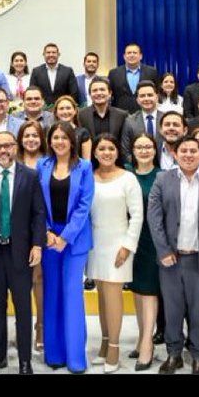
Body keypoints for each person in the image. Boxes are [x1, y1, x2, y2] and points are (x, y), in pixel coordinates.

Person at [147, 136, 199, 375]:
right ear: (175, 154)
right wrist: (163, 250)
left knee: (198, 310)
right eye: (183, 150)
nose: (188, 155)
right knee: (172, 310)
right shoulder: (162, 180)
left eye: (193, 151)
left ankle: (198, 356)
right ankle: (174, 354)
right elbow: (154, 219)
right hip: (170, 259)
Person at [0, 130, 47, 375]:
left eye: (8, 146)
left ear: (16, 147)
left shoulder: (31, 176)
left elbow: (38, 213)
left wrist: (37, 245)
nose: (3, 151)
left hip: (20, 254)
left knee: (23, 309)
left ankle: (25, 360)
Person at [39, 122, 94, 373]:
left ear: (72, 141)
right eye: (55, 137)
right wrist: (48, 233)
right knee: (52, 294)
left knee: (72, 295)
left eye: (64, 137)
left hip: (75, 240)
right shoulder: (42, 165)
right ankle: (54, 354)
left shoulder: (84, 167)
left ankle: (75, 357)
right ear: (49, 141)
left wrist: (65, 237)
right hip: (49, 239)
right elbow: (37, 203)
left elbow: (84, 205)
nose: (59, 141)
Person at [87, 133, 143, 372]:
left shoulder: (128, 178)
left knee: (113, 296)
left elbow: (137, 214)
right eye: (102, 149)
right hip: (95, 244)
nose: (106, 153)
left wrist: (128, 246)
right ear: (95, 152)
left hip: (118, 244)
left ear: (117, 152)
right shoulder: (89, 177)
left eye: (111, 148)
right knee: (101, 296)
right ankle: (105, 341)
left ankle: (115, 348)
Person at [127, 133, 161, 370]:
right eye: (139, 147)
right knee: (137, 291)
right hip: (130, 239)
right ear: (132, 150)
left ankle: (148, 344)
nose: (144, 150)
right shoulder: (126, 174)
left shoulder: (162, 176)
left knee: (149, 291)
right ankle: (141, 338)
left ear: (155, 150)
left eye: (148, 146)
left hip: (152, 239)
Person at [16, 119, 48, 348]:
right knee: (20, 282)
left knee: (39, 279)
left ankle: (41, 327)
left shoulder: (48, 163)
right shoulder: (13, 162)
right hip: (17, 230)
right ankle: (22, 327)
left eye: (35, 135)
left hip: (43, 228)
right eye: (26, 135)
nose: (31, 139)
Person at [108, 43, 160, 114]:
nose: (132, 55)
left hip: (144, 114)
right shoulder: (113, 73)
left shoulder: (152, 72)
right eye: (129, 53)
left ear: (140, 56)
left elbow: (157, 93)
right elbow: (110, 95)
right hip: (120, 115)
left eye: (135, 53)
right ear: (124, 56)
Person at [120, 79, 163, 162]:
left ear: (157, 97)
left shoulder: (166, 119)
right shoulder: (130, 121)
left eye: (150, 95)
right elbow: (125, 151)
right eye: (142, 96)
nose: (146, 99)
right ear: (137, 100)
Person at [79, 75, 128, 144]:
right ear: (90, 94)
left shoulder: (122, 115)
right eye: (95, 90)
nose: (99, 93)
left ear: (110, 93)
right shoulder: (81, 115)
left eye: (102, 89)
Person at [52, 94, 91, 161]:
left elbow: (87, 161)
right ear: (56, 113)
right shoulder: (51, 132)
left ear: (75, 111)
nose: (65, 112)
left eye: (68, 108)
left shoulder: (83, 133)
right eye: (61, 109)